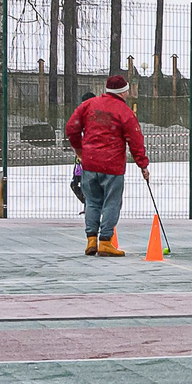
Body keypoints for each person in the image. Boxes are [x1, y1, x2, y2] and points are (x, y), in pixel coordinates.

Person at [65, 70, 149, 256]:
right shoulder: (125, 112)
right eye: (127, 91)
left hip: (90, 163)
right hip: (112, 166)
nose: (128, 94)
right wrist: (142, 164)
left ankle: (91, 240)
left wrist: (79, 149)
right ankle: (105, 241)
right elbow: (135, 140)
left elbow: (71, 127)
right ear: (121, 92)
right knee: (112, 202)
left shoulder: (89, 105)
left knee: (92, 202)